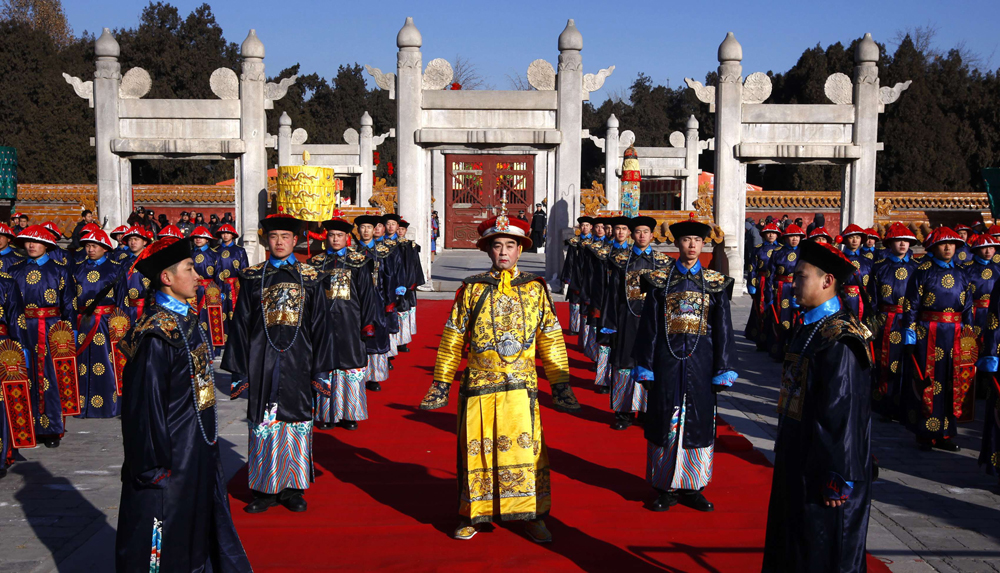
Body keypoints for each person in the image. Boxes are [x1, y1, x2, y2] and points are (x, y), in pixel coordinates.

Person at [419, 201, 580, 542]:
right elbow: (452, 337)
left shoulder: (536, 291)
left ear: (520, 249)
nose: (503, 252)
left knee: (525, 451)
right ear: (487, 249)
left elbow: (550, 338)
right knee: (476, 450)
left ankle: (531, 514)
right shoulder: (472, 289)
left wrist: (561, 383)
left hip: (521, 386)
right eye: (497, 245)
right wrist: (441, 382)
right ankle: (472, 513)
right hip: (479, 384)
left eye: (510, 245)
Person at [115, 236, 252, 572]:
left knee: (195, 529)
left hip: (196, 448)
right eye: (189, 269)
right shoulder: (156, 334)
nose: (197, 276)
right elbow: (144, 409)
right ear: (167, 278)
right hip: (170, 457)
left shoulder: (185, 321)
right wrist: (152, 467)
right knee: (165, 535)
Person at [762, 239, 874, 573]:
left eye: (801, 276)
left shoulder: (840, 338)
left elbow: (841, 411)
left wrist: (836, 476)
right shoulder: (811, 326)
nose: (794, 283)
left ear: (827, 281)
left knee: (824, 552)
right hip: (800, 456)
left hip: (825, 470)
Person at [223, 214, 334, 513]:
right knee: (263, 420)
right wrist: (240, 368)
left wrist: (320, 369)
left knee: (296, 421)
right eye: (274, 237)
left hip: (300, 359)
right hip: (262, 359)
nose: (280, 242)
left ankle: (293, 488)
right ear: (266, 241)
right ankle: (264, 488)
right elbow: (240, 324)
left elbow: (321, 326)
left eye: (286, 236)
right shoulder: (252, 277)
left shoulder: (312, 278)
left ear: (295, 240)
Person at [632, 215, 737, 512]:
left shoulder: (716, 284)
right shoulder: (659, 281)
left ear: (703, 245)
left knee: (698, 422)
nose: (692, 245)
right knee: (666, 420)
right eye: (687, 240)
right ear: (677, 244)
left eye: (698, 241)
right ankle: (665, 486)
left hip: (702, 364)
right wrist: (645, 363)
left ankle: (694, 486)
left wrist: (724, 366)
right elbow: (649, 326)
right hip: (667, 361)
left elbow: (724, 329)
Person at [901, 227, 974, 452]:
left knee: (952, 382)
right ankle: (925, 432)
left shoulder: (962, 273)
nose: (948, 247)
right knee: (929, 382)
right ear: (933, 246)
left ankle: (946, 432)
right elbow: (911, 306)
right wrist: (910, 338)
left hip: (955, 333)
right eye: (943, 244)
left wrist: (970, 341)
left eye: (952, 244)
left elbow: (968, 308)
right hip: (928, 332)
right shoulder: (922, 271)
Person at [307, 217, 379, 430]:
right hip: (323, 323)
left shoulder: (359, 261)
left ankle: (350, 414)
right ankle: (327, 415)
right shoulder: (316, 263)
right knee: (325, 364)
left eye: (339, 235)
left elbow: (367, 294)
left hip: (351, 322)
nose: (335, 239)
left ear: (347, 238)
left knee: (350, 367)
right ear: (326, 238)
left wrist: (368, 323)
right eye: (331, 235)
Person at [599, 215, 670, 430]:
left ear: (652, 235)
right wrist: (609, 323)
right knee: (624, 362)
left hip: (654, 320)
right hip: (626, 317)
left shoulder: (664, 262)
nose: (641, 236)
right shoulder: (621, 261)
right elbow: (612, 294)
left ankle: (649, 411)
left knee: (651, 361)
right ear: (632, 234)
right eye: (637, 232)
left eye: (646, 232)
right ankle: (624, 413)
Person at [10, 225, 75, 448]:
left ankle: (52, 429)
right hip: (22, 327)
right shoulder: (15, 270)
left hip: (51, 328)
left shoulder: (60, 270)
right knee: (24, 378)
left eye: (35, 241)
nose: (31, 245)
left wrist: (70, 331)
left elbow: (68, 304)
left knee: (53, 379)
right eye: (27, 241)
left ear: (46, 244)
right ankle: (26, 429)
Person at [866, 223, 918, 421]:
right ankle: (884, 404)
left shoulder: (917, 268)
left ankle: (906, 406)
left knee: (909, 364)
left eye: (906, 240)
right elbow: (872, 299)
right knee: (885, 363)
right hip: (886, 320)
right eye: (898, 240)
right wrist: (872, 324)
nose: (903, 244)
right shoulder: (879, 268)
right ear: (890, 243)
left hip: (909, 320)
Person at [74, 229, 126, 418]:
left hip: (105, 322)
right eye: (87, 246)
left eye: (94, 246)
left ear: (104, 248)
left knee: (107, 362)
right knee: (82, 364)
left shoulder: (115, 268)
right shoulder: (77, 267)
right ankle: (82, 405)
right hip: (83, 322)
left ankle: (107, 406)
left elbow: (122, 299)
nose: (90, 249)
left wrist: (120, 324)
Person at [353, 214, 393, 391]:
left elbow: (389, 277)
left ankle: (374, 377)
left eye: (369, 227)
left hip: (378, 298)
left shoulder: (383, 252)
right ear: (358, 231)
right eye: (362, 228)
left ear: (374, 229)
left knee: (376, 335)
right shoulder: (353, 254)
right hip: (357, 300)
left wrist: (390, 301)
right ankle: (358, 373)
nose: (366, 230)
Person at [765, 224, 806, 361]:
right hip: (781, 289)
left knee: (798, 321)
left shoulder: (803, 253)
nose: (794, 239)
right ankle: (779, 351)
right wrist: (769, 294)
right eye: (791, 236)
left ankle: (796, 352)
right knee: (780, 320)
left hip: (799, 288)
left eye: (797, 236)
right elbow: (770, 275)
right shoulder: (777, 252)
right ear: (785, 238)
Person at [189, 226, 226, 351]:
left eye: (201, 237)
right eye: (196, 237)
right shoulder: (189, 254)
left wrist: (220, 291)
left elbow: (219, 275)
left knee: (209, 319)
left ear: (207, 239)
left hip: (209, 290)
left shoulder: (215, 254)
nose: (198, 240)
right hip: (191, 289)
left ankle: (211, 347)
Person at [745, 222, 781, 348]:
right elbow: (752, 268)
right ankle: (760, 340)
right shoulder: (758, 249)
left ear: (777, 235)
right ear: (764, 235)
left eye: (773, 233)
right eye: (768, 233)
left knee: (775, 311)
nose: (771, 235)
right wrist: (752, 284)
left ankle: (775, 340)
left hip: (776, 284)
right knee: (760, 311)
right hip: (761, 282)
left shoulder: (781, 249)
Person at [214, 223, 249, 340]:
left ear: (233, 235)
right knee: (221, 311)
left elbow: (245, 270)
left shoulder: (240, 251)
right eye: (223, 233)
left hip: (235, 285)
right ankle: (222, 338)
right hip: (219, 285)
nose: (225, 235)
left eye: (228, 233)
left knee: (235, 311)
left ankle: (237, 338)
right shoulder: (215, 251)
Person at [838, 224, 873, 321]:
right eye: (851, 237)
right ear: (845, 240)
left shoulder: (868, 261)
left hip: (864, 301)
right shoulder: (839, 259)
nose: (854, 241)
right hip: (843, 300)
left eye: (857, 237)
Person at [120, 226, 153, 324]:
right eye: (130, 240)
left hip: (148, 308)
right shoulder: (122, 263)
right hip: (126, 309)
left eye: (136, 239)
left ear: (144, 242)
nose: (133, 242)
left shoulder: (152, 260)